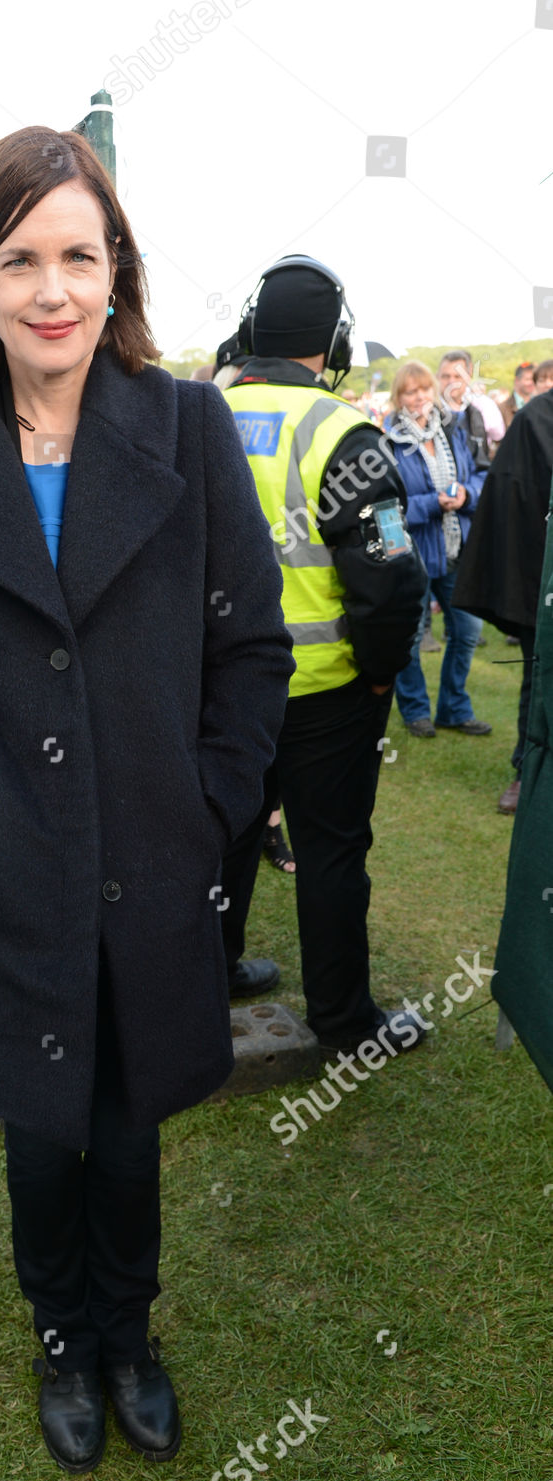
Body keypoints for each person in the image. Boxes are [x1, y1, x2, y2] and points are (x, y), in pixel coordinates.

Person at [0, 125, 293, 1474]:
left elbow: (249, 644)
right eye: (18, 258)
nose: (51, 289)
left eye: (78, 255)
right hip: (5, 884)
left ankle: (131, 1334)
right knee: (42, 1142)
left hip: (153, 864)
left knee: (129, 1135)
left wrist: (210, 799)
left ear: (114, 270)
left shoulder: (186, 427)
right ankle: (63, 1341)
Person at [219, 254, 428, 1063]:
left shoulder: (201, 415)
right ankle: (344, 1021)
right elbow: (387, 572)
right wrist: (379, 670)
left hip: (222, 688)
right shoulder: (343, 432)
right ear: (333, 339)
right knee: (331, 849)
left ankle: (213, 972)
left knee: (228, 836)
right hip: (325, 691)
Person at [453, 382, 553, 813]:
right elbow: (512, 498)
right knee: (540, 680)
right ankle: (525, 771)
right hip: (544, 586)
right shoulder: (537, 419)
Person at [384, 361, 489, 737]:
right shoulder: (386, 441)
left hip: (455, 546)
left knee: (467, 629)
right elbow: (384, 509)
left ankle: (454, 708)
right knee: (409, 637)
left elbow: (479, 473)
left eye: (425, 389)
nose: (420, 398)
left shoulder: (451, 429)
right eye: (410, 392)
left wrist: (467, 494)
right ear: (398, 398)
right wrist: (432, 503)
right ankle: (415, 710)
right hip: (412, 557)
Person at [436, 349, 504, 468]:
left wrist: (470, 487)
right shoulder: (426, 411)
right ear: (438, 377)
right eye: (446, 376)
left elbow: (497, 436)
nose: (451, 381)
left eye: (458, 376)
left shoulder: (479, 409)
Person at [498, 361, 535, 429]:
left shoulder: (539, 404)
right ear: (517, 381)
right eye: (528, 379)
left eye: (534, 379)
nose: (531, 383)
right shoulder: (502, 408)